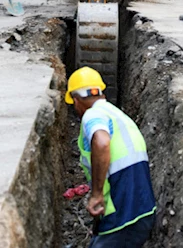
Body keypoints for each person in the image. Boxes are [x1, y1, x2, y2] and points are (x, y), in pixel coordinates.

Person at [65, 67, 156, 247]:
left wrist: (97, 194)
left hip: (122, 214)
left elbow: (101, 142)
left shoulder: (93, 114)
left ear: (76, 101)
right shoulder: (117, 114)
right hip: (142, 210)